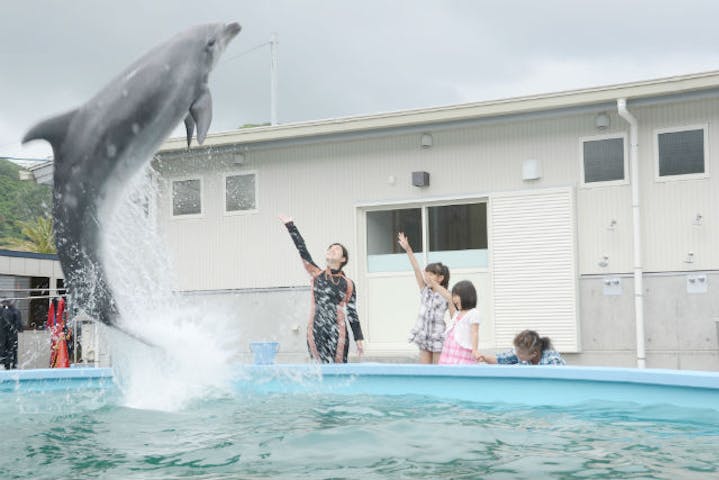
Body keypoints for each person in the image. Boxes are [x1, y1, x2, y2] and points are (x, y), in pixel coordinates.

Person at [279, 214, 364, 363]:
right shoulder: (316, 274)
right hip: (315, 330)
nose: (332, 249)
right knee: (318, 368)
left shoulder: (348, 283)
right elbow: (302, 250)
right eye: (330, 248)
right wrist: (290, 226)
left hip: (339, 332)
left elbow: (352, 312)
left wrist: (358, 338)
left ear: (343, 259)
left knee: (338, 371)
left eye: (337, 249)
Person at [397, 232, 454, 364]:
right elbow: (416, 269)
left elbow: (452, 311)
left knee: (438, 371)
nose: (427, 276)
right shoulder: (425, 291)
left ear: (440, 278)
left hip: (438, 336)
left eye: (431, 274)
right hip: (424, 335)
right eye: (426, 273)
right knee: (425, 370)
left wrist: (435, 284)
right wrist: (408, 249)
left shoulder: (447, 294)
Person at [438, 280, 481, 364]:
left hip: (462, 348)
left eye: (456, 296)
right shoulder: (457, 313)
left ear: (466, 296)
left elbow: (474, 333)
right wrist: (433, 284)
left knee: (461, 368)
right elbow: (447, 295)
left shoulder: (473, 313)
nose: (453, 299)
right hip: (450, 349)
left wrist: (475, 350)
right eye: (453, 296)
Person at [478, 329, 566, 365]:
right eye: (516, 350)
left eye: (520, 353)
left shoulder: (552, 360)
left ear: (533, 354)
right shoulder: (518, 352)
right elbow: (500, 359)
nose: (516, 353)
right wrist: (484, 358)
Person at [0, 299, 22, 369]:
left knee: (5, 353)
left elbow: (18, 326)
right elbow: (19, 327)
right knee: (12, 353)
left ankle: (7, 365)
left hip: (4, 337)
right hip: (11, 336)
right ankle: (12, 366)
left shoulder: (3, 311)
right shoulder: (16, 311)